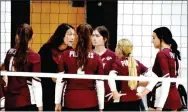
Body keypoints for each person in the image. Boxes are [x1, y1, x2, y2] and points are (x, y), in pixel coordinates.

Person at [55, 24, 104, 111]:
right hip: (90, 102)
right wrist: (101, 107)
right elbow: (100, 85)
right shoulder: (97, 58)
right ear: (91, 37)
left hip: (70, 102)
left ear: (77, 36)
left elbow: (60, 81)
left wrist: (57, 103)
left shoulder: (65, 55)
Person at [108, 38, 157, 111]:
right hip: (135, 100)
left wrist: (114, 92)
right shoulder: (136, 63)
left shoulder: (117, 63)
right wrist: (143, 93)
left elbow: (110, 78)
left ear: (119, 49)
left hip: (122, 101)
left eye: (116, 46)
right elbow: (155, 78)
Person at [3, 23, 43, 111]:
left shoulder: (9, 52)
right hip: (24, 100)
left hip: (9, 101)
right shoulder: (34, 56)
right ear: (33, 36)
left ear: (17, 36)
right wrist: (40, 106)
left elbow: (5, 76)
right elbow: (36, 83)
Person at [38, 23, 75, 111]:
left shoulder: (72, 52)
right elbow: (39, 69)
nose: (73, 37)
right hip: (48, 90)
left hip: (64, 91)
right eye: (69, 34)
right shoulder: (46, 49)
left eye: (74, 34)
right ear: (61, 35)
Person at [148, 27, 182, 111]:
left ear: (161, 38)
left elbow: (166, 80)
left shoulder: (161, 54)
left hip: (164, 99)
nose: (152, 41)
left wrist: (160, 106)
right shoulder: (173, 54)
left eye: (154, 38)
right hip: (175, 97)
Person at [91, 26, 116, 110]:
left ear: (105, 39)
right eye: (93, 35)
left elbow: (120, 75)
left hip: (107, 97)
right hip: (91, 95)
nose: (94, 38)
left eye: (97, 36)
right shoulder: (87, 54)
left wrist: (116, 91)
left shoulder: (113, 56)